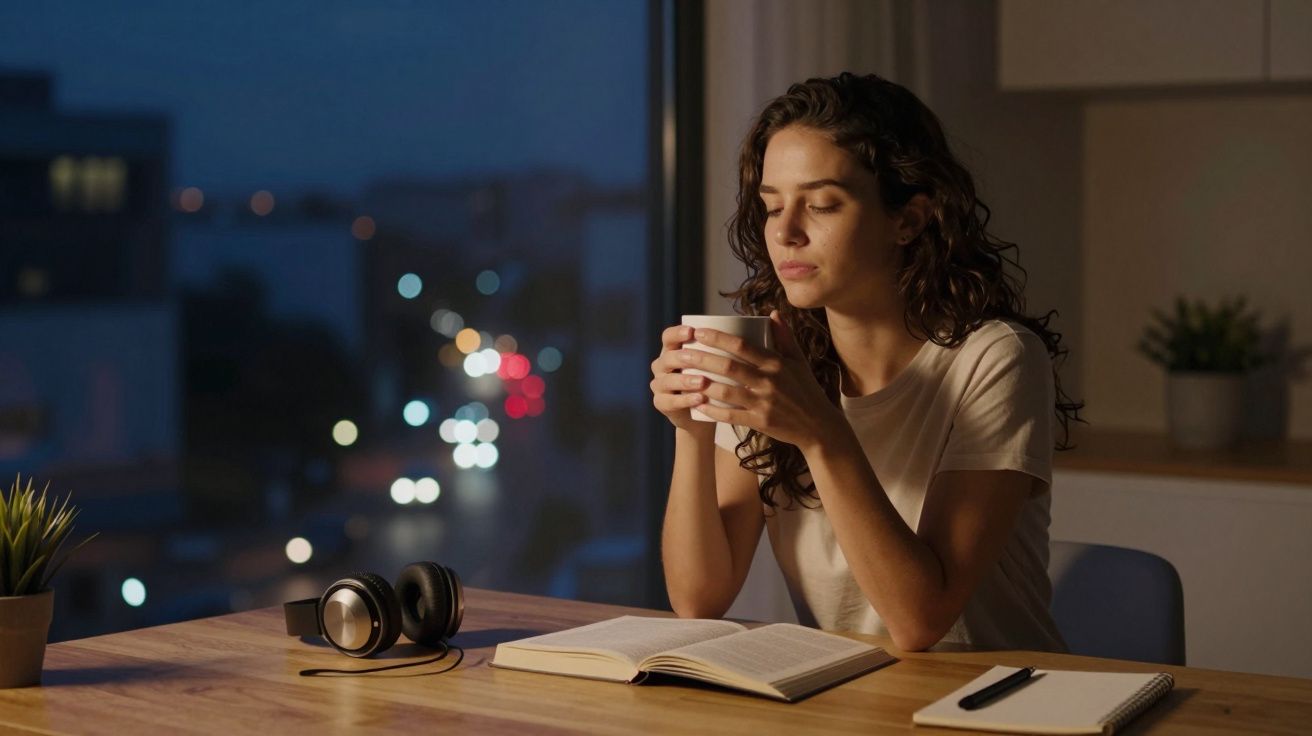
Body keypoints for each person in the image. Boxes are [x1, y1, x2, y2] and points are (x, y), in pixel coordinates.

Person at [650, 72, 1082, 653]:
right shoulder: (774, 361)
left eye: (822, 204)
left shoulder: (994, 359)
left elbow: (920, 622)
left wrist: (822, 433)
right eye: (771, 206)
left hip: (992, 700)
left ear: (908, 218)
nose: (786, 232)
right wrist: (692, 431)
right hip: (849, 699)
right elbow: (699, 598)